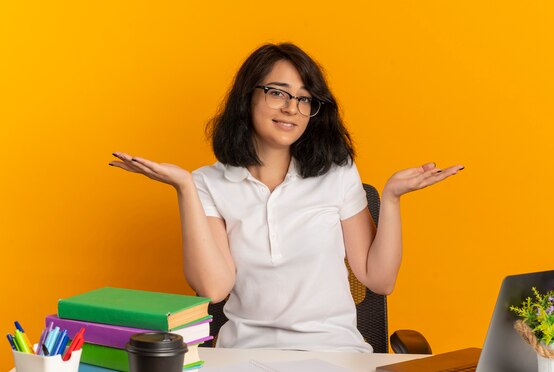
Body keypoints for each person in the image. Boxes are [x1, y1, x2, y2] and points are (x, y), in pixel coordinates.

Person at [109, 43, 463, 353]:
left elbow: (378, 278)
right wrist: (185, 187)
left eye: (304, 98)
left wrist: (392, 198)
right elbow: (214, 288)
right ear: (248, 96)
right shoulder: (209, 182)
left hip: (336, 352)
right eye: (278, 92)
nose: (292, 107)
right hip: (244, 356)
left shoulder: (337, 172)